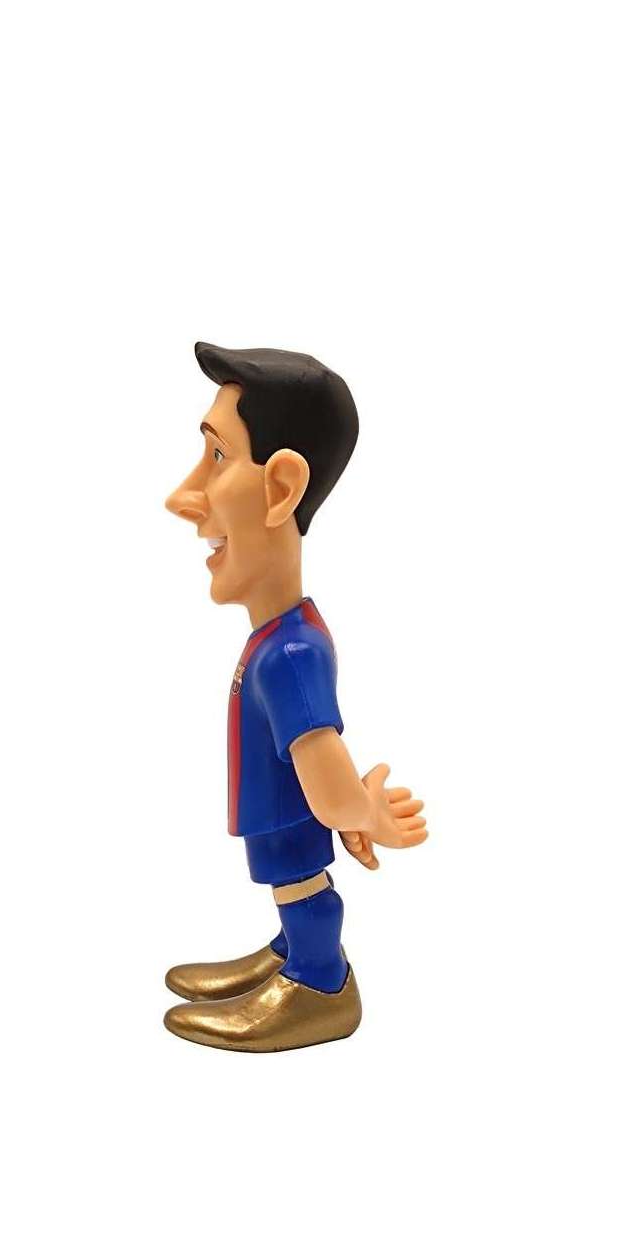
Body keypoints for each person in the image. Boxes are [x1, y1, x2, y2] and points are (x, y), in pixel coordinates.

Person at [162, 342, 428, 1051]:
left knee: (302, 886)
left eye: (218, 457)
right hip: (280, 813)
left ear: (280, 489)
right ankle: (291, 953)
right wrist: (354, 805)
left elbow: (325, 769)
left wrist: (361, 811)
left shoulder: (290, 655)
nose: (182, 495)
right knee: (292, 888)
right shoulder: (283, 638)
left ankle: (319, 980)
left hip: (288, 819)